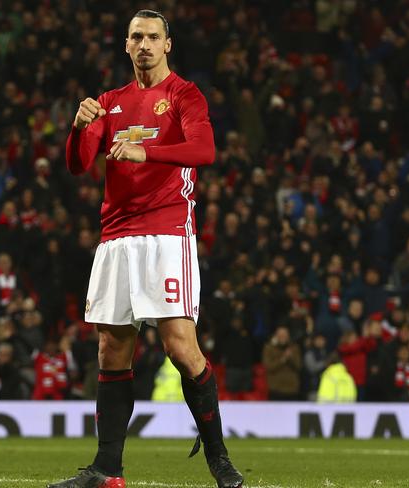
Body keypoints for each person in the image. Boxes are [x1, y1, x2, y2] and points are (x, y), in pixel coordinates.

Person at [52, 10, 242, 488]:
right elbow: (78, 165)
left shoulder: (184, 94)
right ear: (126, 45)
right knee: (111, 349)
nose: (145, 45)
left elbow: (204, 151)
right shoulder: (109, 102)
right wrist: (77, 127)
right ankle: (107, 470)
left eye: (153, 37)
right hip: (116, 236)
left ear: (168, 45)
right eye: (136, 37)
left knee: (180, 346)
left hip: (166, 232)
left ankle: (219, 459)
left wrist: (145, 151)